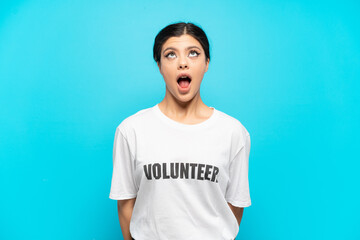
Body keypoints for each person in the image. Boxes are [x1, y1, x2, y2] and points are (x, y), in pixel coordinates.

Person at [109, 21, 251, 240]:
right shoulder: (131, 130)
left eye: (193, 53)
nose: (183, 63)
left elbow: (233, 207)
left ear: (207, 63)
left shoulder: (232, 132)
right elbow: (126, 203)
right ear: (159, 65)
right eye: (171, 55)